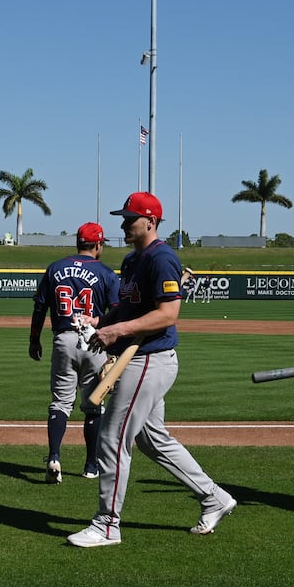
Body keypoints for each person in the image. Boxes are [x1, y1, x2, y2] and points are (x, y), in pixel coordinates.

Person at [67, 192, 235, 547]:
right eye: (124, 218)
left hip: (149, 359)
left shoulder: (162, 258)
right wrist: (101, 321)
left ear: (151, 222)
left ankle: (107, 525)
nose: (124, 224)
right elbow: (126, 311)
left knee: (112, 440)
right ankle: (214, 497)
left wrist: (116, 331)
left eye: (130, 218)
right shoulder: (131, 261)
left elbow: (168, 314)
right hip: (135, 356)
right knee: (152, 440)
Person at [29, 222, 120, 482]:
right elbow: (116, 311)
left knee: (60, 403)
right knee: (93, 406)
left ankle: (54, 456)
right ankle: (91, 465)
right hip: (95, 341)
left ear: (78, 242)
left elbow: (39, 307)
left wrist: (34, 339)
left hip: (63, 339)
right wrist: (114, 347)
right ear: (99, 244)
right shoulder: (105, 272)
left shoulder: (55, 268)